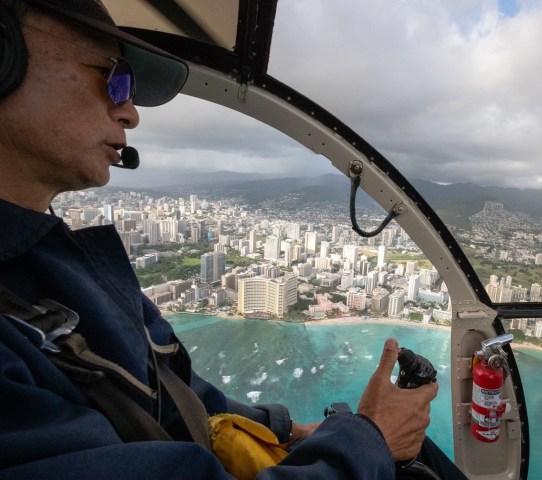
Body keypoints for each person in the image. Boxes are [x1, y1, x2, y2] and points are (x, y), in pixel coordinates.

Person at [0, 1, 468, 479]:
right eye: (113, 76)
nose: (130, 113)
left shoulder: (66, 268)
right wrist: (370, 440)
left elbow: (176, 398)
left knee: (419, 455)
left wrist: (283, 429)